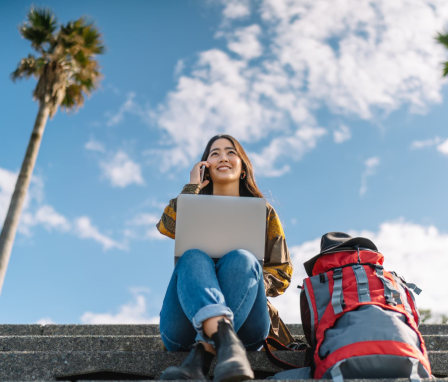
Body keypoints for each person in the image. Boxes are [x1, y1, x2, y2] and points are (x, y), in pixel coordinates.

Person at [156, 134, 293, 382]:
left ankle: (200, 356)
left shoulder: (263, 212)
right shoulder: (191, 203)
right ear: (205, 167)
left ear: (242, 168)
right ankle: (220, 343)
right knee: (193, 257)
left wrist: (248, 279)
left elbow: (282, 273)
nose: (223, 157)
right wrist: (191, 188)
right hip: (183, 327)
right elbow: (166, 226)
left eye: (231, 152)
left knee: (243, 259)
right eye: (214, 153)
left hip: (248, 327)